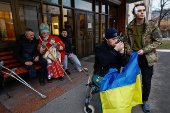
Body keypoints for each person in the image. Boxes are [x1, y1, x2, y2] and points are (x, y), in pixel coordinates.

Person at [124, 3, 162, 113]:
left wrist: (144, 50)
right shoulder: (130, 26)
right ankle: (130, 100)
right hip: (133, 58)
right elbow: (126, 42)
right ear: (134, 13)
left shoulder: (151, 25)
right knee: (131, 80)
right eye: (139, 10)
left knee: (146, 82)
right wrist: (129, 51)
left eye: (143, 10)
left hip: (147, 58)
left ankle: (144, 101)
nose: (142, 12)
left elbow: (158, 40)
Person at [93, 28, 127, 111]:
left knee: (123, 85)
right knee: (108, 87)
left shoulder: (117, 47)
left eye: (117, 38)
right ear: (107, 39)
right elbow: (104, 62)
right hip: (101, 74)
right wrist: (115, 50)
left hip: (114, 74)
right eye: (113, 39)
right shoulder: (99, 48)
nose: (116, 41)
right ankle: (105, 109)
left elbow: (124, 64)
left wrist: (122, 53)